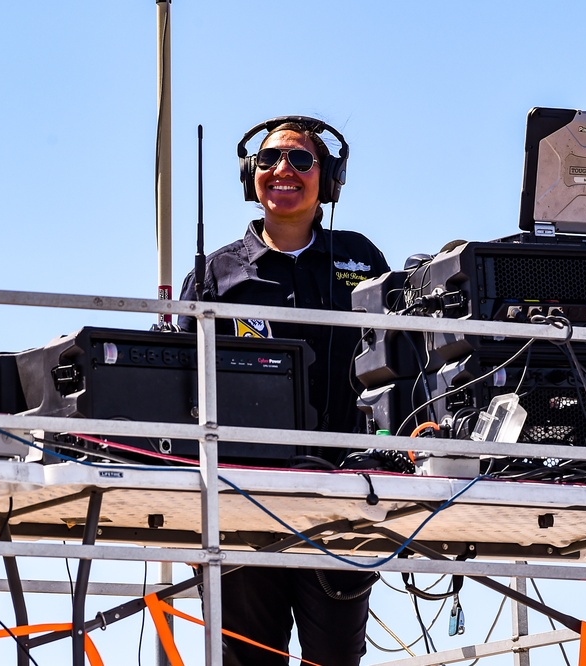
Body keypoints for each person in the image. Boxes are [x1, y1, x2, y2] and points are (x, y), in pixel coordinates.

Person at [178, 116, 389, 665]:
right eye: (270, 160)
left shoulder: (362, 260)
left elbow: (398, 360)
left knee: (336, 659)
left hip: (345, 495)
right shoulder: (213, 274)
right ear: (251, 175)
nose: (283, 171)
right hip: (241, 495)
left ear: (330, 177)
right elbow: (180, 385)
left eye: (300, 159)